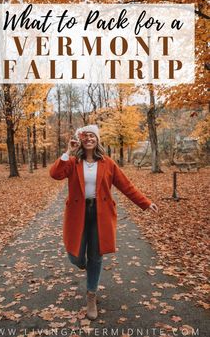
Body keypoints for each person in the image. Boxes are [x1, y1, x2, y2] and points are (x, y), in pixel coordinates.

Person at [50, 124, 158, 320]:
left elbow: (127, 186)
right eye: (86, 136)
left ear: (97, 140)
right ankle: (82, 263)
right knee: (74, 256)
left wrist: (145, 202)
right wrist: (68, 152)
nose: (89, 139)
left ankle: (91, 296)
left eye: (93, 136)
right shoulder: (73, 161)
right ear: (81, 140)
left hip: (101, 214)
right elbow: (55, 174)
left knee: (96, 257)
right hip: (78, 214)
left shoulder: (108, 163)